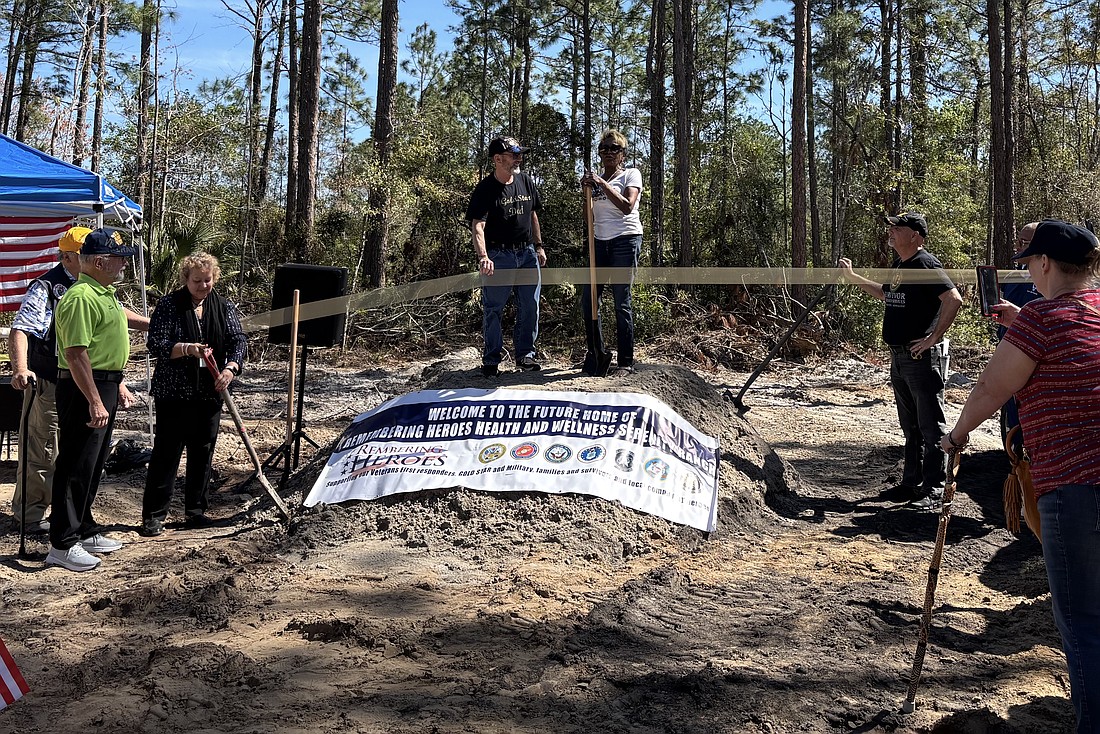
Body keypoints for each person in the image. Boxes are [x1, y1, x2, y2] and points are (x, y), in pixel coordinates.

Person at [941, 220, 1100, 733]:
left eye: (1031, 260)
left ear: (1047, 264)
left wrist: (958, 433)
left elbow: (992, 387)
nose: (1027, 267)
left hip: (1076, 486)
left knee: (1082, 624)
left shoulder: (1038, 317)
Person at [838, 212, 963, 510]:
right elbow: (885, 294)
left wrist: (932, 338)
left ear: (916, 236)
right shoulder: (900, 266)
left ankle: (934, 489)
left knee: (931, 426)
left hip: (919, 357)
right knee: (911, 427)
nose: (891, 232)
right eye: (891, 228)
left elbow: (954, 299)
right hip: (899, 357)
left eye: (898, 228)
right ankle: (911, 483)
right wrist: (853, 278)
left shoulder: (926, 264)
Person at [47, 228, 145, 572]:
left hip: (104, 383)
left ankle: (84, 529)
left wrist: (113, 385)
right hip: (83, 387)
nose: (123, 265)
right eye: (119, 259)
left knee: (93, 461)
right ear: (100, 261)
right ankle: (62, 542)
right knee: (75, 462)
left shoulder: (104, 292)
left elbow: (110, 338)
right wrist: (94, 399)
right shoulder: (80, 297)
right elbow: (75, 354)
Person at [140, 253, 246, 536]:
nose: (202, 286)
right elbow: (157, 345)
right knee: (166, 453)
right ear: (185, 279)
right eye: (197, 281)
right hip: (173, 393)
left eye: (207, 280)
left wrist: (231, 368)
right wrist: (187, 348)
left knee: (203, 452)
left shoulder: (224, 307)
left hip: (210, 393)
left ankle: (195, 511)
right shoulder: (168, 305)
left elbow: (238, 341)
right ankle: (153, 515)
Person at [7, 227, 90, 533]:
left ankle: (68, 514)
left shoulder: (92, 287)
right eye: (87, 255)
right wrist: (21, 367)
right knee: (43, 450)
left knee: (77, 451)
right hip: (50, 382)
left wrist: (154, 324)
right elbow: (21, 329)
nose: (97, 259)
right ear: (68, 257)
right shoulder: (47, 287)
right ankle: (28, 515)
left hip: (84, 384)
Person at [466, 136, 547, 377]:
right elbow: (478, 225)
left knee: (530, 306)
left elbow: (533, 215)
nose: (518, 158)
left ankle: (526, 356)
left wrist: (539, 246)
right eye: (514, 155)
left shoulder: (525, 181)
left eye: (519, 154)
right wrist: (483, 256)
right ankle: (491, 360)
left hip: (527, 253)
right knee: (493, 308)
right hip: (498, 255)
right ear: (498, 159)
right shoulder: (485, 189)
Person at [580, 130, 643, 377]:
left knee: (621, 301)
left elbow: (627, 206)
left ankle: (626, 361)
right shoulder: (594, 182)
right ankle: (597, 353)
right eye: (604, 148)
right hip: (600, 242)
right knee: (589, 301)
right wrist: (586, 192)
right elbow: (589, 217)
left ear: (622, 153)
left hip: (625, 241)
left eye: (614, 148)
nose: (608, 152)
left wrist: (603, 184)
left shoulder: (630, 174)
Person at [996, 221, 1042, 449]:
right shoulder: (1014, 274)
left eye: (1024, 242)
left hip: (1033, 360)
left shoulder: (1049, 280)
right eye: (1018, 241)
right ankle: (1014, 459)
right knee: (1011, 413)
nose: (1017, 247)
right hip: (1007, 350)